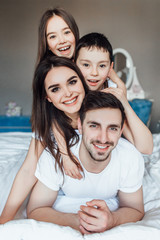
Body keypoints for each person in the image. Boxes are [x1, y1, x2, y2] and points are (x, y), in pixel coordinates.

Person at [0, 7, 80, 224]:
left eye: (66, 32)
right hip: (57, 154)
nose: (62, 41)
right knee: (36, 159)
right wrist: (4, 221)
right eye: (52, 36)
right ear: (46, 43)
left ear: (75, 33)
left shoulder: (91, 69)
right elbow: (31, 161)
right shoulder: (46, 75)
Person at [27, 91, 145, 234]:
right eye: (94, 126)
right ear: (80, 126)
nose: (103, 138)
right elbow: (35, 210)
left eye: (112, 128)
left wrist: (112, 219)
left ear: (121, 132)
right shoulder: (55, 155)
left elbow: (136, 210)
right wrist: (77, 221)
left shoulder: (130, 157)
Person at [75, 32, 153, 155]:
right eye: (86, 65)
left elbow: (146, 148)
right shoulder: (70, 92)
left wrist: (125, 103)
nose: (94, 72)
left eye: (102, 65)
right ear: (74, 63)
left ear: (110, 67)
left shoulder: (112, 93)